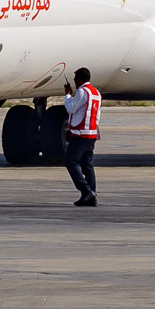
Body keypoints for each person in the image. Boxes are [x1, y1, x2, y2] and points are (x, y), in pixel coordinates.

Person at [63, 68, 101, 207]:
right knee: (87, 165)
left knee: (70, 161)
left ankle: (86, 191)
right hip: (91, 133)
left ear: (79, 79)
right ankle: (92, 194)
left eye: (75, 80)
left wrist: (67, 95)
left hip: (80, 134)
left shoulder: (82, 91)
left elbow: (71, 109)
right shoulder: (96, 92)